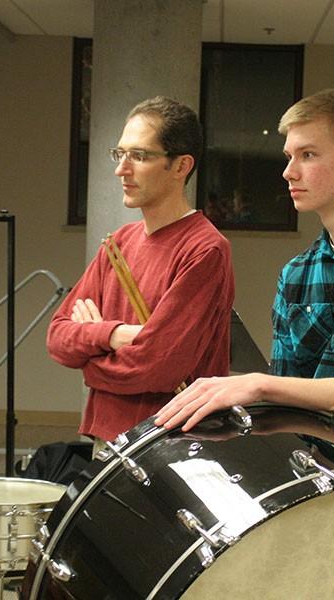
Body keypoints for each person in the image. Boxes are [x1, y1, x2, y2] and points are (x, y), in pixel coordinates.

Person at [155, 88, 334, 462]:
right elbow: (288, 407)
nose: (288, 172)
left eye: (307, 155)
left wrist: (258, 385)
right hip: (312, 475)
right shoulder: (297, 272)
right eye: (289, 156)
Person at [46, 96, 235, 452]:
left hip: (171, 442)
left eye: (141, 156)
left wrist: (91, 361)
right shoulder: (118, 243)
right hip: (107, 438)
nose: (122, 169)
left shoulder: (205, 249)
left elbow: (157, 367)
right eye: (120, 154)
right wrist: (113, 335)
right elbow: (58, 338)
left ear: (181, 166)